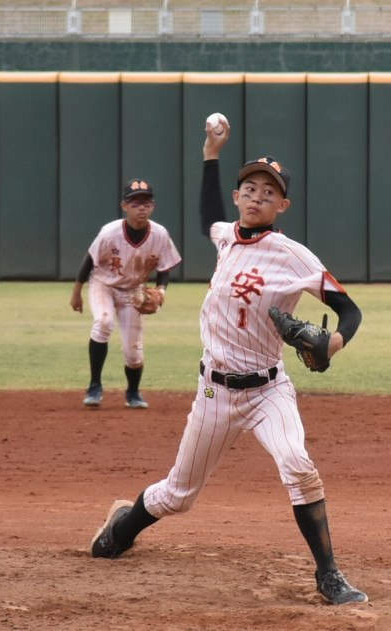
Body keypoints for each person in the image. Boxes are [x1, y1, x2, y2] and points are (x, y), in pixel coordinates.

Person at [89, 118, 367, 605]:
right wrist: (211, 153)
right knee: (179, 495)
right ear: (239, 197)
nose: (257, 195)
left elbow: (349, 309)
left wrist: (332, 344)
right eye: (249, 188)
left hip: (268, 390)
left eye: (269, 191)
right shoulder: (225, 239)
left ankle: (329, 576)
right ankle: (121, 530)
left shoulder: (295, 256)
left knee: (299, 465)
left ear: (283, 205)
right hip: (215, 393)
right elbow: (207, 219)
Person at [70, 178, 181, 409]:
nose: (141, 207)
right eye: (135, 203)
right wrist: (77, 293)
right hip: (104, 285)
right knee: (103, 322)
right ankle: (94, 386)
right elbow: (89, 261)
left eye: (146, 202)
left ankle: (133, 393)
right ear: (124, 206)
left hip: (134, 292)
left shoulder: (160, 234)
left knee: (134, 354)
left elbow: (165, 270)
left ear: (153, 206)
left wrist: (161, 291)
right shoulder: (110, 233)